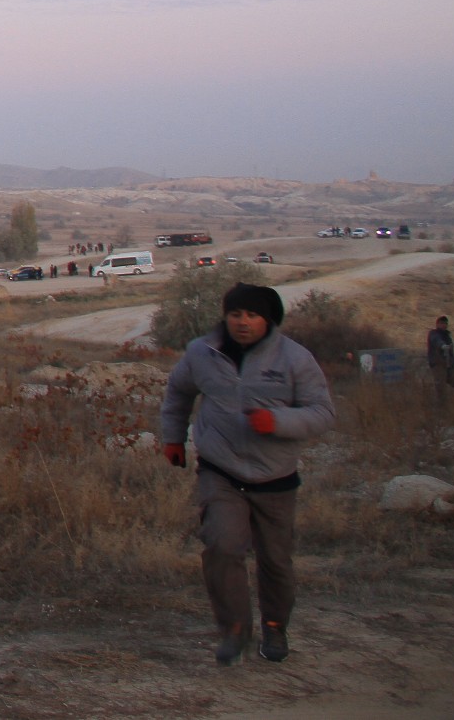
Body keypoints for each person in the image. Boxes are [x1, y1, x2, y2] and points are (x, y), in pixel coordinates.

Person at [159, 282, 334, 665]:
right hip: (220, 470)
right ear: (225, 316)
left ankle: (274, 626)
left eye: (252, 315)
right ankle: (233, 628)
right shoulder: (202, 353)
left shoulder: (295, 359)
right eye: (235, 314)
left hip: (276, 476)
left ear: (268, 319)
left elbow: (322, 413)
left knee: (275, 562)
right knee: (222, 546)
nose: (242, 322)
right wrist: (173, 438)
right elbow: (178, 393)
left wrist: (278, 421)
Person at [429, 316, 454, 399]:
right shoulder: (433, 333)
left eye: (445, 323)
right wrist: (443, 346)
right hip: (439, 366)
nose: (444, 325)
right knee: (441, 392)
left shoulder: (448, 335)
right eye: (441, 323)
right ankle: (440, 410)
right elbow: (437, 341)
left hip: (450, 366)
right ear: (437, 324)